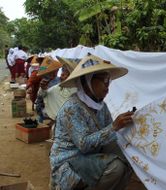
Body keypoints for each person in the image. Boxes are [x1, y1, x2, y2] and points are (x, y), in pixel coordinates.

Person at [50, 54, 134, 190]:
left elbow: (109, 135)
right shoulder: (72, 108)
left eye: (109, 80)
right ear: (87, 81)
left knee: (129, 156)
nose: (107, 85)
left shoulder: (101, 106)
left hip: (89, 154)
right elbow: (83, 145)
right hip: (70, 160)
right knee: (116, 167)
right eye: (103, 80)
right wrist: (114, 127)